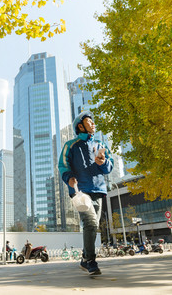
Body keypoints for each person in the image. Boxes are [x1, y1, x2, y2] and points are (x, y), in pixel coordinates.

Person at [59, 111, 113, 275]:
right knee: (90, 223)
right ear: (80, 126)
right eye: (90, 121)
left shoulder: (99, 144)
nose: (93, 124)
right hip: (80, 191)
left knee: (94, 226)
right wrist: (68, 177)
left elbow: (109, 166)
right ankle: (90, 260)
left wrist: (102, 162)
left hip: (98, 189)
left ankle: (84, 259)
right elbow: (63, 165)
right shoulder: (71, 145)